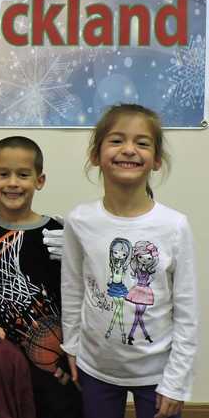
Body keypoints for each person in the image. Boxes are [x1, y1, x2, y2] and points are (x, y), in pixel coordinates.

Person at [61, 104, 198, 418]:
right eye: (117, 140)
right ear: (96, 155)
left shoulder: (174, 226)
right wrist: (71, 346)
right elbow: (72, 289)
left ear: (157, 159)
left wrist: (176, 382)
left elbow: (187, 313)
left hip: (158, 374)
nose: (129, 150)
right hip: (95, 368)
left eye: (142, 143)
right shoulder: (79, 220)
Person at [0, 136, 81, 418]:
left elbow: (76, 291)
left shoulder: (57, 233)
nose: (12, 183)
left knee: (63, 408)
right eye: (3, 174)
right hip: (7, 354)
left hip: (53, 354)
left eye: (23, 175)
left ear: (40, 180)